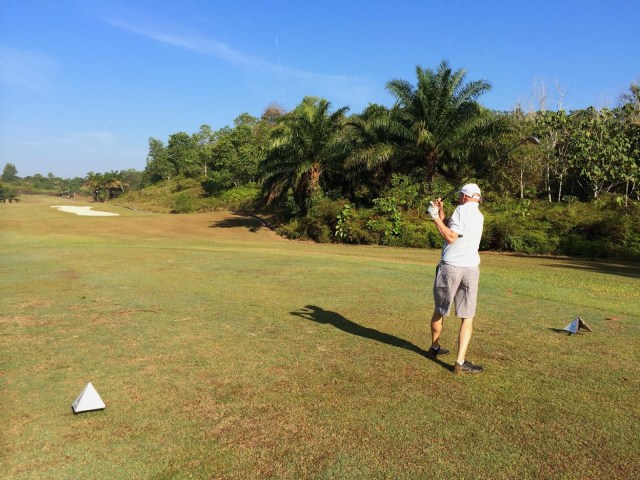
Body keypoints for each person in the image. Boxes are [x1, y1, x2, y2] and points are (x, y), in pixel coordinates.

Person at [425, 183, 484, 373]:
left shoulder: (461, 209)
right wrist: (441, 213)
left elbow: (450, 237)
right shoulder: (479, 215)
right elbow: (453, 228)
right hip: (471, 268)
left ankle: (435, 347)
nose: (459, 198)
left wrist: (434, 216)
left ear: (465, 197)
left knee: (440, 310)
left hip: (451, 267)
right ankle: (459, 362)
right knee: (468, 317)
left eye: (460, 196)